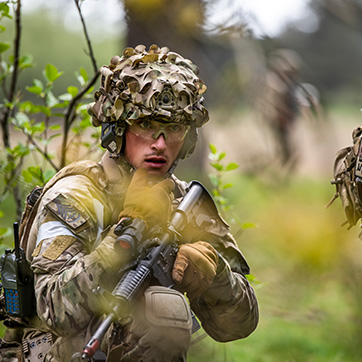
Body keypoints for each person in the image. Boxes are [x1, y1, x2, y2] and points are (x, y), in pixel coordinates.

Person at [5, 44, 259, 361]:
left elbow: (239, 325)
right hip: (56, 352)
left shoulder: (185, 201)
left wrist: (216, 276)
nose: (161, 144)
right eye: (147, 125)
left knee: (164, 311)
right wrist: (127, 233)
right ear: (118, 129)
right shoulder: (74, 196)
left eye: (175, 128)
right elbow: (54, 310)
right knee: (163, 310)